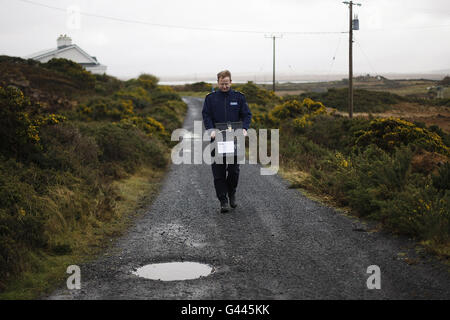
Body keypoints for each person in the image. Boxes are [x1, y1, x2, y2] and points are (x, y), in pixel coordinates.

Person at [202, 70, 252, 213]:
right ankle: (223, 200)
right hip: (215, 138)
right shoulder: (210, 98)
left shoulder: (239, 97)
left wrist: (244, 129)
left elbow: (247, 115)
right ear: (218, 82)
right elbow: (206, 115)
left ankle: (232, 193)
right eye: (222, 84)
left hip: (234, 138)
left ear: (231, 82)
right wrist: (210, 129)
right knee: (218, 172)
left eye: (227, 83)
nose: (224, 86)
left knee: (233, 170)